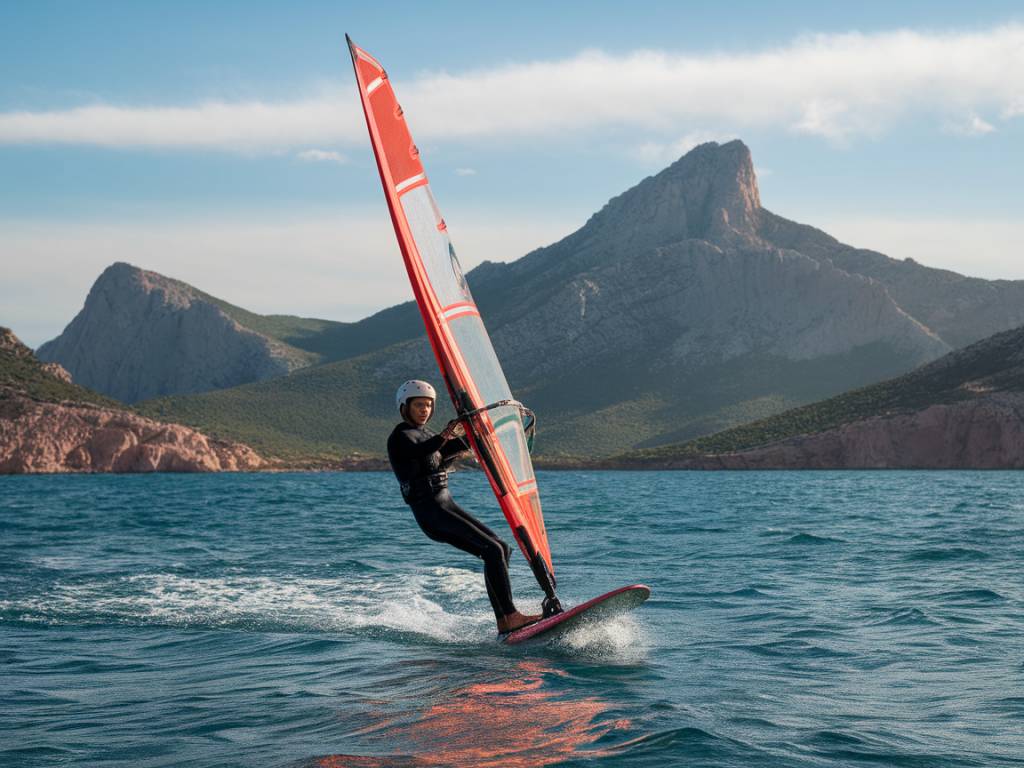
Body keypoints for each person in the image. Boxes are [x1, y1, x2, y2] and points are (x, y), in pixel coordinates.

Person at [387, 379, 541, 634]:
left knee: (502, 548)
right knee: (491, 550)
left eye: (428, 405)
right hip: (431, 512)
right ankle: (510, 617)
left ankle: (505, 619)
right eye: (418, 405)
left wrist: (488, 430)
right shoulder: (401, 437)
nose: (424, 410)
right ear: (405, 407)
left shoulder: (427, 435)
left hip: (445, 503)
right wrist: (449, 432)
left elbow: (449, 450)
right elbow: (425, 450)